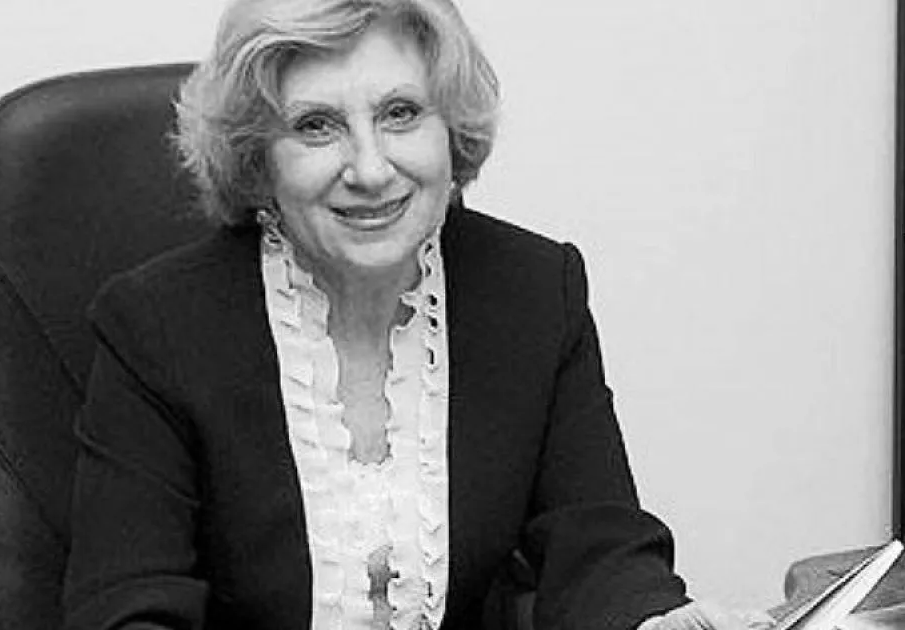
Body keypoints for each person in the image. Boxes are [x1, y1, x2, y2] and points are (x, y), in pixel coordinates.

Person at [61, 0, 774, 629]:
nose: (371, 170)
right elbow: (125, 609)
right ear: (257, 162)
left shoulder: (533, 293)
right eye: (316, 126)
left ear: (450, 130)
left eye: (400, 113)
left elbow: (597, 548)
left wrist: (649, 621)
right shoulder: (156, 329)